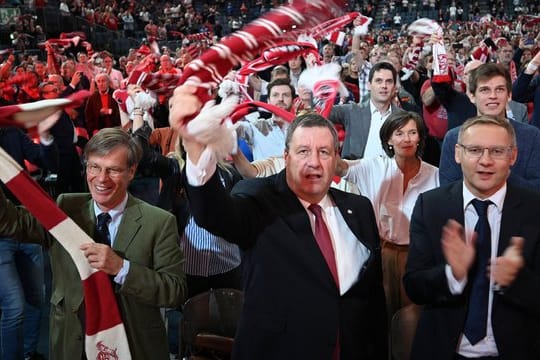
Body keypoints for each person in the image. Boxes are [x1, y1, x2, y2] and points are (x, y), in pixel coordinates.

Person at [173, 85, 387, 359]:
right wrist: (199, 155)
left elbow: (373, 302)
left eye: (324, 152)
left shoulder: (358, 209)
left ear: (336, 158)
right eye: (303, 152)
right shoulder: (258, 199)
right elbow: (216, 215)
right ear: (286, 157)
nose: (314, 162)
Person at [0, 128, 186, 360]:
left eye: (113, 170)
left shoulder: (159, 222)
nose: (101, 179)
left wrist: (121, 268)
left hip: (132, 344)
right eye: (94, 167)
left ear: (131, 171)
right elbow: (11, 222)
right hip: (72, 344)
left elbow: (175, 291)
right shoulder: (66, 208)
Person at [404, 115, 540, 359]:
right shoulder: (430, 206)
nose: (485, 161)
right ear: (458, 154)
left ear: (513, 156)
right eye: (475, 150)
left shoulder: (535, 210)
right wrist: (452, 274)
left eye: (497, 151)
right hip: (443, 351)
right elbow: (414, 287)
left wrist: (517, 280)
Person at [336, 110, 439, 319]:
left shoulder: (435, 175)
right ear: (389, 139)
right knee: (379, 317)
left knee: (412, 318)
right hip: (380, 255)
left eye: (412, 133)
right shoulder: (374, 167)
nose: (407, 139)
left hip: (417, 257)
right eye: (399, 133)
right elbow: (339, 168)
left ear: (420, 138)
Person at [0, 115, 58, 360]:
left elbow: (45, 159)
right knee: (14, 308)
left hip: (28, 225)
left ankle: (28, 353)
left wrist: (45, 136)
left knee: (37, 296)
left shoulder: (11, 133)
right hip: (1, 235)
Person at [439, 63, 540, 191]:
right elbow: (448, 191)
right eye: (485, 90)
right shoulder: (454, 138)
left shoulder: (531, 136)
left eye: (499, 89)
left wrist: (503, 175)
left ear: (509, 95)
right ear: (471, 96)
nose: (493, 96)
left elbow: (537, 189)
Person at [328, 61, 399, 159]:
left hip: (393, 173)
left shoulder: (402, 118)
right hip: (354, 171)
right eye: (379, 81)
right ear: (369, 85)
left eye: (389, 81)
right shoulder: (352, 111)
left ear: (394, 87)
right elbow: (323, 111)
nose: (384, 86)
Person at [236, 78, 294, 160]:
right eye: (275, 95)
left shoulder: (302, 128)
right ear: (268, 101)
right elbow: (231, 127)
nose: (280, 99)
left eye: (286, 95)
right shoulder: (256, 127)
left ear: (292, 101)